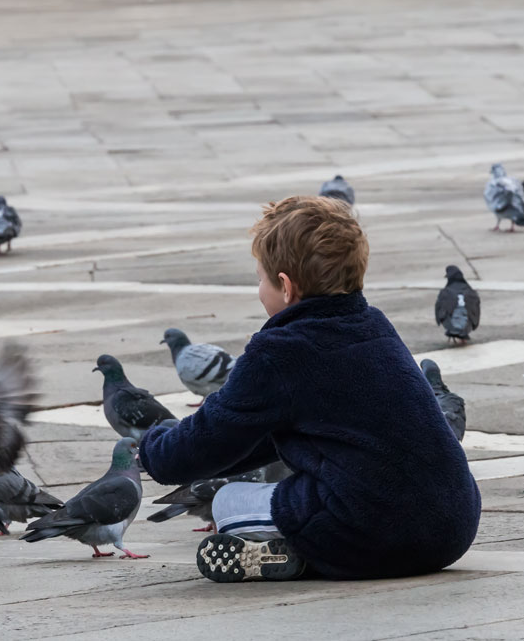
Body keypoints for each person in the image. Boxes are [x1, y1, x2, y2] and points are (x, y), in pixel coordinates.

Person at [139, 196, 480, 582]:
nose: (259, 287)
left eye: (260, 278)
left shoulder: (280, 352)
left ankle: (299, 553)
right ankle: (305, 551)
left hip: (373, 528)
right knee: (330, 486)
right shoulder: (374, 326)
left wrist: (154, 450)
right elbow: (266, 435)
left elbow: (213, 437)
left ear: (285, 287)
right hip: (452, 526)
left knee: (227, 502)